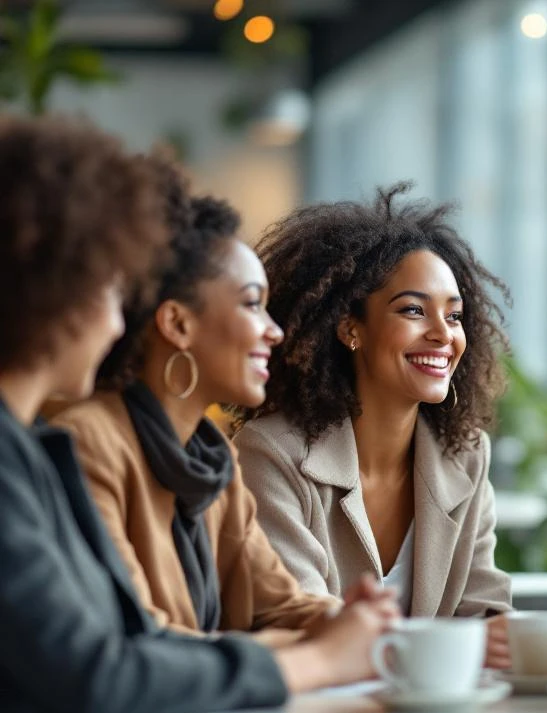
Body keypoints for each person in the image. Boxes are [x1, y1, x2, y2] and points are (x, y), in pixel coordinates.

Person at [0, 114, 398, 713]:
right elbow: (109, 674)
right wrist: (316, 660)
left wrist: (351, 630)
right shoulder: (57, 447)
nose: (115, 314)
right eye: (108, 285)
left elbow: (127, 648)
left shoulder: (36, 453)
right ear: (57, 287)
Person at [53, 158, 338, 648]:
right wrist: (327, 645)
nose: (275, 331)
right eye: (252, 304)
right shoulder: (87, 441)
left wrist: (367, 625)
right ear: (178, 324)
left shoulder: (210, 458)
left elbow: (284, 606)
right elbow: (142, 645)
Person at [231, 184, 513, 668]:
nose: (444, 335)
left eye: (455, 315)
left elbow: (482, 613)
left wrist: (498, 635)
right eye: (412, 310)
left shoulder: (466, 456)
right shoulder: (271, 453)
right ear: (349, 328)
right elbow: (300, 624)